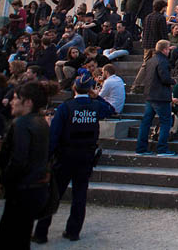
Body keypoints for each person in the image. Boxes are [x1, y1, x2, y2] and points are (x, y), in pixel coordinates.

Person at [32, 70, 115, 243]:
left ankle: (41, 233)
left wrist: (47, 157)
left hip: (65, 155)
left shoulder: (65, 107)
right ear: (90, 88)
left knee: (54, 194)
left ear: (74, 87)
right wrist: (95, 96)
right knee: (80, 195)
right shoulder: (96, 106)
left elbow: (54, 135)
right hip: (86, 155)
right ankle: (73, 231)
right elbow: (111, 109)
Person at [0, 81, 55, 247]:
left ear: (28, 102)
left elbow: (18, 160)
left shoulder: (22, 124)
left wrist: (4, 180)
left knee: (9, 237)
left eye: (16, 98)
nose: (12, 101)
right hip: (36, 188)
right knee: (21, 236)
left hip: (22, 189)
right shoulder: (41, 122)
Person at [135, 40, 175, 156]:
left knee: (146, 122)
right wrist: (173, 80)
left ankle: (141, 148)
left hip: (149, 95)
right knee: (165, 122)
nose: (169, 51)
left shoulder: (150, 61)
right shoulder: (163, 61)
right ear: (164, 49)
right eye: (168, 49)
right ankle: (162, 149)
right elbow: (165, 79)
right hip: (161, 96)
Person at [132, 0, 168, 92]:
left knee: (145, 65)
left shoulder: (148, 17)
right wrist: (167, 45)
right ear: (162, 8)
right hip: (157, 46)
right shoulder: (161, 18)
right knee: (157, 66)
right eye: (165, 7)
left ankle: (136, 85)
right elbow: (163, 33)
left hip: (147, 45)